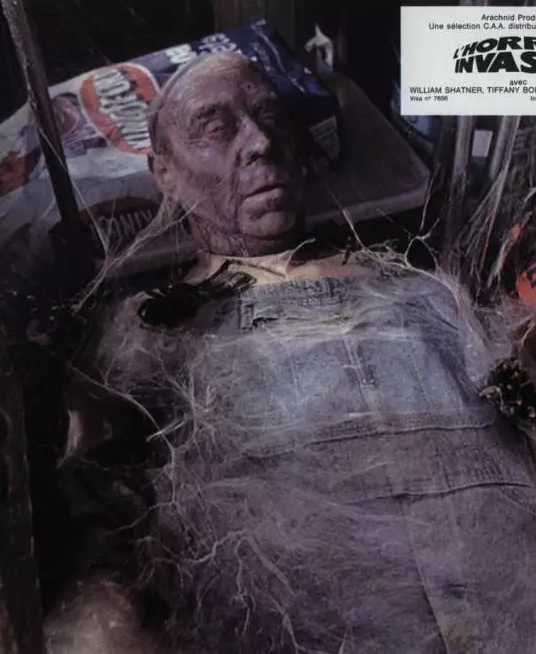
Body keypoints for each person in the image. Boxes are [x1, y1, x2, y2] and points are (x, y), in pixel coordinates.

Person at [66, 52, 536, 654]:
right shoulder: (153, 332)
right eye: (216, 127)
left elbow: (518, 409)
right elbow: (103, 521)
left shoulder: (424, 290)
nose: (259, 143)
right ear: (165, 172)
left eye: (270, 118)